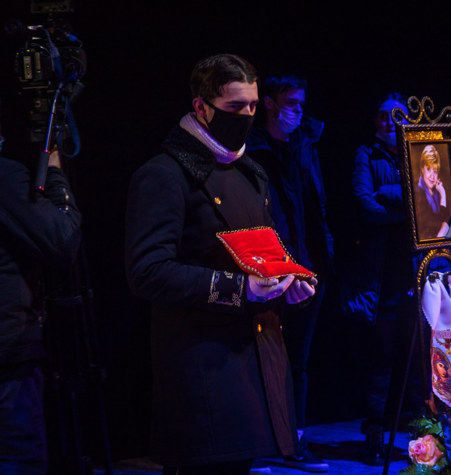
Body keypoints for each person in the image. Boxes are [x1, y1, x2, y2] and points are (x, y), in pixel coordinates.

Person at [125, 54, 316, 475]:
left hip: (255, 361)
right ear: (201, 107)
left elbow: (267, 249)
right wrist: (241, 289)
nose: (247, 115)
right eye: (234, 106)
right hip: (203, 367)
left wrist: (288, 279)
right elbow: (147, 271)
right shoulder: (165, 174)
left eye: (253, 105)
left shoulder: (250, 171)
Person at [246, 74, 332, 473]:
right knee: (259, 357)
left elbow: (316, 205)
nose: (297, 111)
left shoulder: (305, 143)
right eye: (290, 103)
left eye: (301, 104)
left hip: (307, 266)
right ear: (269, 103)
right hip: (267, 268)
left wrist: (319, 260)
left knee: (298, 359)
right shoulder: (251, 147)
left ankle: (294, 442)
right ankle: (256, 443)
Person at [338, 93, 421, 466]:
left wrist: (388, 193)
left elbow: (436, 202)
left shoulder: (421, 153)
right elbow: (366, 207)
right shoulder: (365, 154)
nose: (390, 121)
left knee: (419, 356)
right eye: (384, 115)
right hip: (381, 275)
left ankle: (422, 436)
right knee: (382, 357)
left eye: (398, 114)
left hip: (418, 272)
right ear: (375, 120)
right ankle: (375, 433)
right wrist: (410, 209)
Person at [0, 110, 82, 475]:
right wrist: (53, 170)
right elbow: (62, 240)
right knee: (18, 463)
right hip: (7, 360)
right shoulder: (5, 177)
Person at [415, 145, 451, 239]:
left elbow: (450, 217)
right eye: (428, 169)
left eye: (435, 171)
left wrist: (442, 194)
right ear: (422, 168)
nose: (432, 176)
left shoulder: (438, 189)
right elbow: (433, 223)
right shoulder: (418, 192)